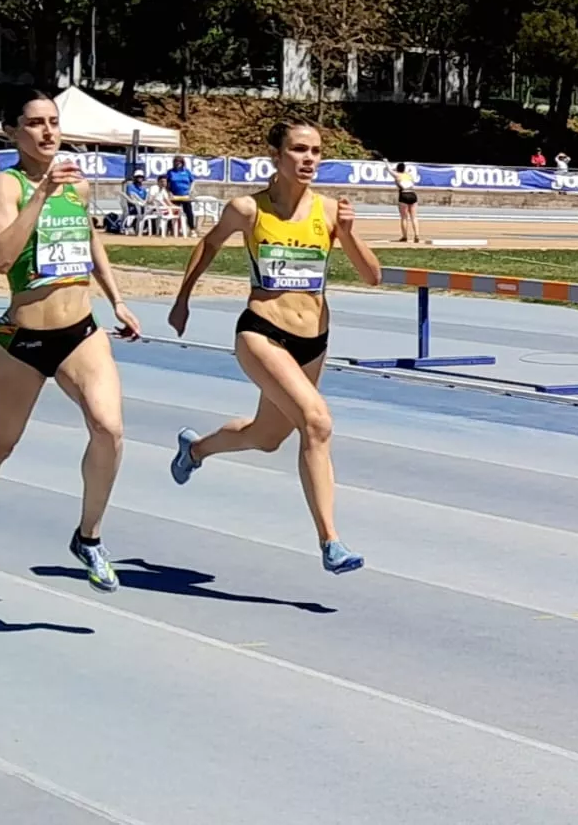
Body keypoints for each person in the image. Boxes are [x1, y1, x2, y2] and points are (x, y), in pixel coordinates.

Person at [166, 120, 383, 576]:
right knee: (317, 422)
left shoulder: (328, 212)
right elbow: (207, 245)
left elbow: (372, 276)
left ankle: (196, 450)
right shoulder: (248, 209)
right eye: (299, 150)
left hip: (314, 341)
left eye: (317, 151)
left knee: (267, 439)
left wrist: (349, 231)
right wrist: (182, 300)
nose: (309, 159)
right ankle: (331, 542)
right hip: (262, 332)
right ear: (276, 156)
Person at [0, 89, 141, 592]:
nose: (48, 132)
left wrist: (117, 298)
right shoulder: (5, 186)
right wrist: (39, 195)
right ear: (13, 131)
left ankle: (89, 537)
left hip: (81, 331)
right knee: (1, 442)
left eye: (54, 121)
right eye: (35, 123)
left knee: (110, 429)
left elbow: (89, 238)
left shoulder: (74, 185)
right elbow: (1, 258)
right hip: (23, 340)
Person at [165, 156, 197, 233]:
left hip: (185, 195)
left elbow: (193, 181)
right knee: (172, 212)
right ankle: (170, 228)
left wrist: (190, 190)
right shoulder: (170, 172)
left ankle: (192, 229)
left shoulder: (187, 171)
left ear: (182, 163)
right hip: (174, 196)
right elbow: (166, 183)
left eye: (179, 162)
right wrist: (169, 192)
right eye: (176, 162)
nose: (178, 163)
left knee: (189, 212)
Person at [393, 161, 420, 243]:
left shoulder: (397, 175)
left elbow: (390, 170)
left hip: (403, 194)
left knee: (404, 218)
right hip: (412, 194)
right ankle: (417, 235)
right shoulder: (409, 175)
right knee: (414, 217)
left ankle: (405, 236)